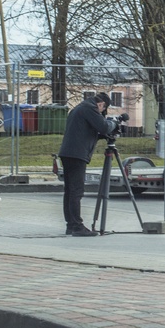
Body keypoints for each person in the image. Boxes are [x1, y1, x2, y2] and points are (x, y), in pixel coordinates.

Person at [58, 93, 116, 236]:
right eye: (103, 111)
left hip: (68, 153)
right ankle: (77, 226)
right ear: (101, 104)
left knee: (70, 191)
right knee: (77, 191)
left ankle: (71, 225)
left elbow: (87, 130)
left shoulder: (79, 108)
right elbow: (103, 126)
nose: (102, 113)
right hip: (77, 154)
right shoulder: (90, 109)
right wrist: (114, 123)